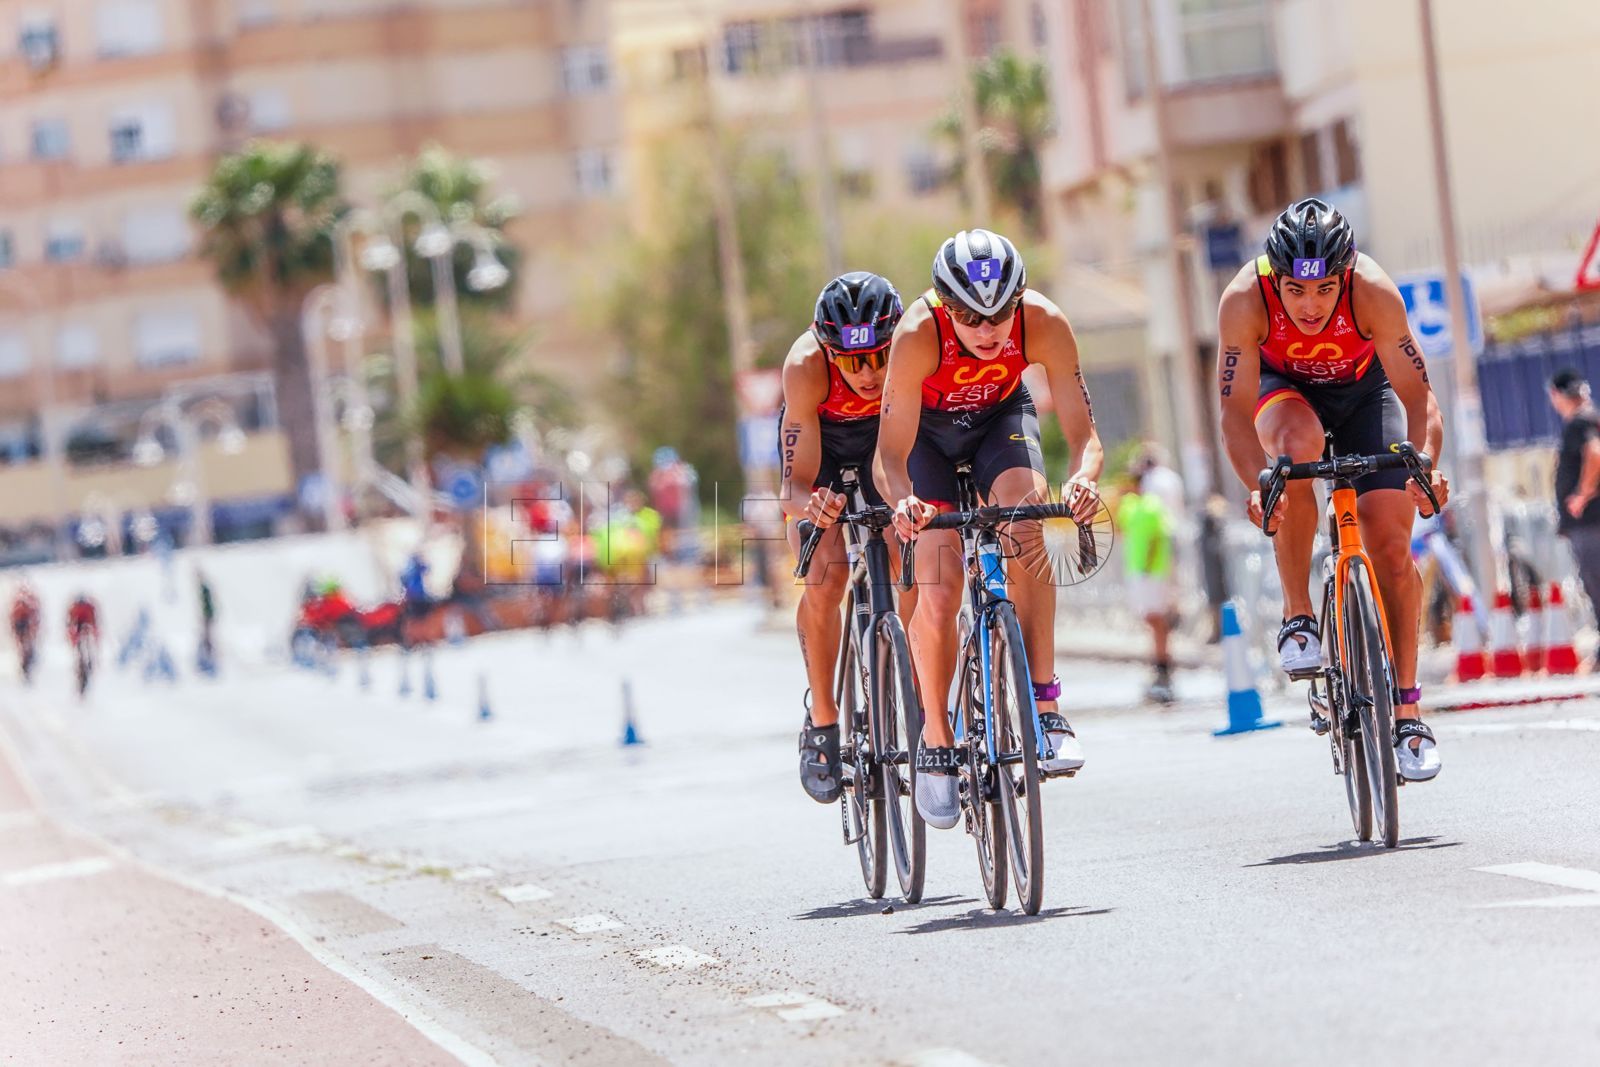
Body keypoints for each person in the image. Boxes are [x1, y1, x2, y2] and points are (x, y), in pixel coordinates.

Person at [1217, 197, 1451, 783]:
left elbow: (1419, 397)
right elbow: (1234, 414)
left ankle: (1408, 710)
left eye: (1324, 290)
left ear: (1344, 276)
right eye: (1296, 291)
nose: (1311, 305)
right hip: (1284, 393)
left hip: (1367, 394)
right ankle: (1299, 614)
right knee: (1295, 453)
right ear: (1276, 279)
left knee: (1391, 547)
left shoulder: (1373, 291)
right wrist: (1258, 484)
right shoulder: (1245, 299)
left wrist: (1425, 465)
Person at [878, 229, 1104, 829]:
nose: (987, 330)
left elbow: (1084, 437)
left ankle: (1046, 706)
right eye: (971, 318)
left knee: (1030, 521)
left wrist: (1083, 480)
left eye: (1000, 315)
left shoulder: (1044, 323)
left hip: (999, 420)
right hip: (926, 440)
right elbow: (889, 457)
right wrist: (903, 503)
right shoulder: (917, 333)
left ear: (1019, 302)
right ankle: (936, 737)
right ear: (945, 307)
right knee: (939, 585)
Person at [779, 271, 906, 804]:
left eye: (879, 357)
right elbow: (792, 487)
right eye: (853, 362)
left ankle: (920, 696)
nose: (869, 373)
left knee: (912, 554)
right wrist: (812, 506)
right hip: (823, 453)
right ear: (830, 352)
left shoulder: (913, 350)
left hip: (884, 445)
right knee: (824, 577)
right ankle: (824, 719)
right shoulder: (805, 367)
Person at [1547, 367, 1600, 658]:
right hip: (1590, 521)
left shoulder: (1581, 421)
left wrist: (1582, 493)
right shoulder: (1589, 418)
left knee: (1596, 581)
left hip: (1590, 520)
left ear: (1556, 395)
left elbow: (1595, 453)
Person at [1116, 473, 1177, 704]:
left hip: (1152, 571)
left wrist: (1150, 565)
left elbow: (1158, 537)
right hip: (1137, 570)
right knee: (1149, 618)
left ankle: (1163, 663)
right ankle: (1159, 662)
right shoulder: (1130, 506)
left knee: (1156, 618)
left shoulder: (1153, 506)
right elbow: (1121, 529)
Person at [11, 580, 40, 677]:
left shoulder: (23, 602)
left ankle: (26, 659)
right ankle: (25, 660)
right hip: (22, 624)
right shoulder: (25, 602)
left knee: (25, 644)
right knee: (24, 644)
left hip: (24, 624)